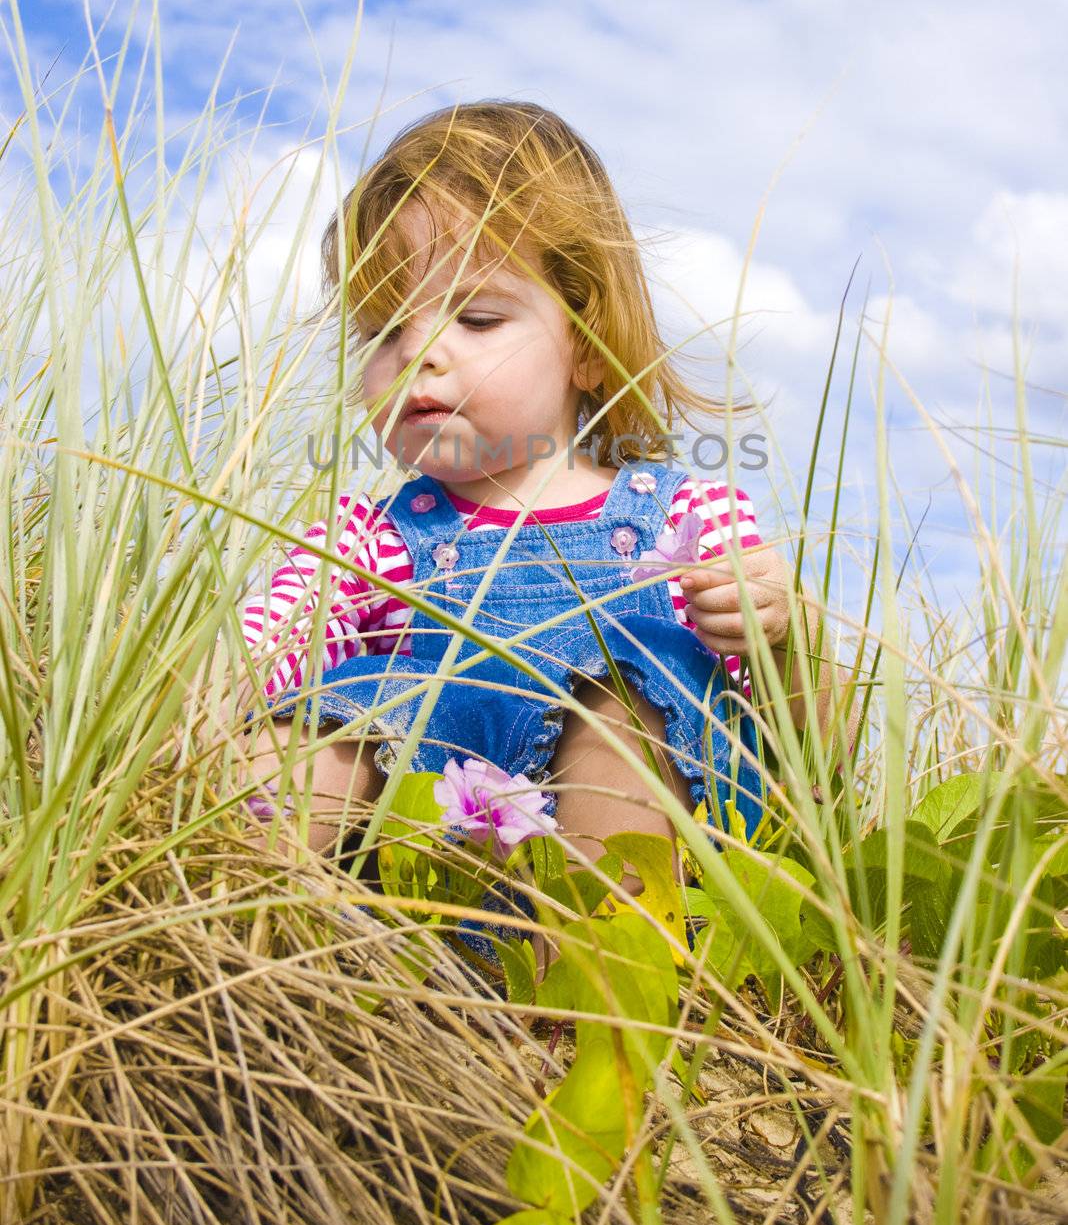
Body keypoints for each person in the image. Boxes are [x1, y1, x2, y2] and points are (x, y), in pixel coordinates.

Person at [229, 100, 853, 897]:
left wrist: (784, 628)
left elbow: (812, 745)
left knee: (624, 697)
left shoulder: (686, 522)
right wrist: (220, 693)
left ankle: (608, 985)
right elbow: (266, 645)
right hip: (426, 872)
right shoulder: (366, 541)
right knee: (324, 727)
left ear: (587, 349)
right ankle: (228, 929)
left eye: (478, 316)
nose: (418, 351)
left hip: (644, 865)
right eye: (384, 329)